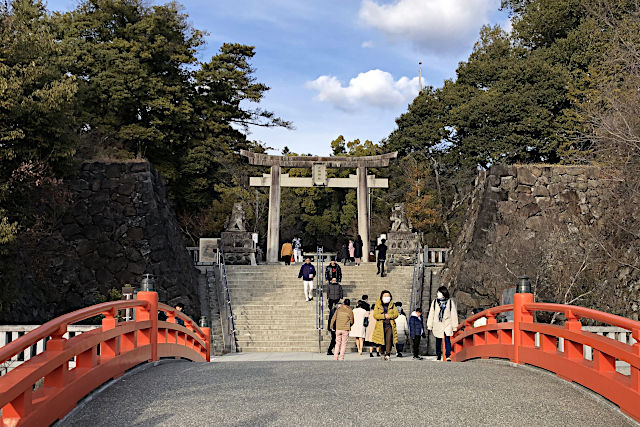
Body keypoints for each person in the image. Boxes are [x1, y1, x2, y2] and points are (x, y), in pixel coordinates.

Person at [427, 286, 459, 361]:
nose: (437, 294)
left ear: (443, 293)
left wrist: (455, 326)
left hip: (447, 323)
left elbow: (453, 314)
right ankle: (438, 354)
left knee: (447, 340)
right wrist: (430, 325)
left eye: (439, 292)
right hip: (437, 323)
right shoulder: (435, 302)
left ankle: (448, 355)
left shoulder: (450, 302)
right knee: (438, 340)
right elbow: (431, 314)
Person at [372, 290, 399, 360]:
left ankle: (388, 354)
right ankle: (382, 352)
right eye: (385, 296)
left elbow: (396, 314)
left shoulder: (392, 304)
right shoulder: (378, 304)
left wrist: (389, 316)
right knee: (381, 340)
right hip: (380, 325)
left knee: (389, 340)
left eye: (388, 296)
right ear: (382, 296)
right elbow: (375, 315)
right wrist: (384, 316)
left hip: (389, 325)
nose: (387, 297)